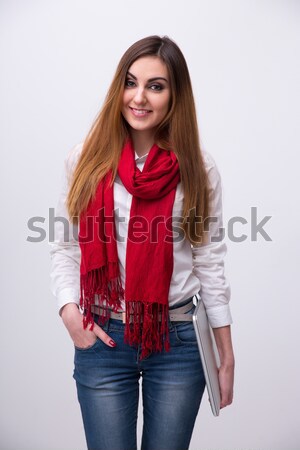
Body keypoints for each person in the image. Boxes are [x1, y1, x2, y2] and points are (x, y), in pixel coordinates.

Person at [49, 35, 235, 450]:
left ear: (175, 96)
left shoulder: (198, 169)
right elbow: (66, 246)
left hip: (177, 341)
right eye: (131, 82)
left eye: (156, 85)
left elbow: (209, 261)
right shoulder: (84, 159)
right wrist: (68, 311)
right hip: (105, 336)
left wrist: (225, 354)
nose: (139, 97)